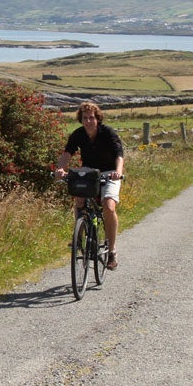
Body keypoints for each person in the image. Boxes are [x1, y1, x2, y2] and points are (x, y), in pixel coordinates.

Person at [53, 101, 125, 269]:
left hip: (109, 172)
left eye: (91, 118)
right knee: (78, 198)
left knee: (109, 205)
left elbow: (119, 155)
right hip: (89, 172)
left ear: (97, 119)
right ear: (81, 119)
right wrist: (60, 169)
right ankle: (79, 236)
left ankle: (112, 250)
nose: (88, 121)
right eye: (85, 118)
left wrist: (118, 172)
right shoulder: (78, 134)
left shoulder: (107, 133)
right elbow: (66, 154)